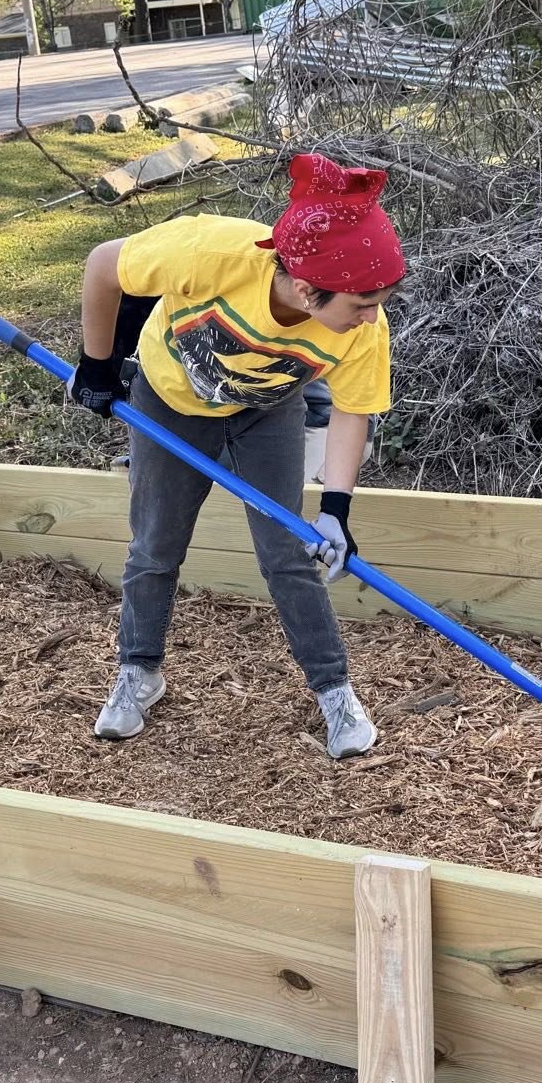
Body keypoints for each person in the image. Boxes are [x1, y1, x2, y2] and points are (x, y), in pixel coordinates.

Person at [71, 151, 404, 757]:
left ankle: (335, 692)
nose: (371, 317)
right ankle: (139, 673)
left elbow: (354, 409)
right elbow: (102, 266)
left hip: (267, 410)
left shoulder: (363, 327)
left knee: (290, 552)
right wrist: (96, 364)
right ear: (306, 290)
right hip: (170, 400)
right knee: (154, 545)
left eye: (377, 301)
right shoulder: (208, 253)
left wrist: (337, 509)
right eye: (360, 304)